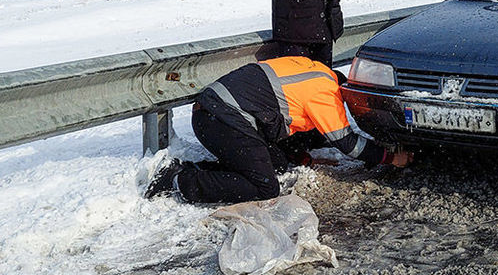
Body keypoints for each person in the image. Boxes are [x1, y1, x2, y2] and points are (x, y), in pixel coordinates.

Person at [142, 56, 411, 203]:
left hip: (214, 114)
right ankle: (178, 181)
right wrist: (389, 157)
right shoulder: (326, 94)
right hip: (222, 121)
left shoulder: (314, 70)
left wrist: (303, 158)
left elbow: (283, 121)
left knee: (279, 165)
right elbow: (347, 144)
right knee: (264, 187)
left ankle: (192, 169)